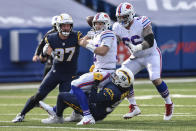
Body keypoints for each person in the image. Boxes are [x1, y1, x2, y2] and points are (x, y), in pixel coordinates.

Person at [12, 13, 83, 123]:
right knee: (39, 95)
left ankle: (64, 115)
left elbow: (84, 42)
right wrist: (44, 54)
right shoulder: (51, 38)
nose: (66, 28)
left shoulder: (76, 36)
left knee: (66, 98)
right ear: (58, 26)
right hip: (55, 72)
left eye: (68, 25)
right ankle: (21, 114)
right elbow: (43, 60)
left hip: (69, 74)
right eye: (64, 25)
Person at [112, 2, 174, 121]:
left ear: (131, 15)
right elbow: (115, 43)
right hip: (135, 57)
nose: (122, 19)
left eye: (124, 16)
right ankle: (133, 106)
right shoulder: (117, 27)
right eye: (119, 17)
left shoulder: (142, 21)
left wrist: (138, 47)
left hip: (151, 54)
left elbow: (150, 40)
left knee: (155, 78)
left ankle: (169, 103)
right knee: (122, 75)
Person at [40, 67, 135, 125]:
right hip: (101, 111)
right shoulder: (128, 87)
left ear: (121, 82)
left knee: (62, 96)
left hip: (94, 112)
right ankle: (74, 115)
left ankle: (58, 117)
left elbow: (94, 99)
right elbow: (130, 91)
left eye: (117, 77)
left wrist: (95, 84)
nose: (114, 77)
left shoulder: (112, 91)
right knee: (81, 91)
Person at [70, 12, 117, 125]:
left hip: (106, 72)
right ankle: (78, 114)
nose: (98, 26)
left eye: (101, 23)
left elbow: (102, 51)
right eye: (96, 24)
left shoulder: (108, 34)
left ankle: (87, 116)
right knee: (72, 92)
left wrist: (89, 44)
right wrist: (88, 35)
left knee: (75, 84)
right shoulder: (98, 35)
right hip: (99, 71)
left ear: (106, 24)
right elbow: (81, 42)